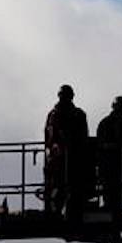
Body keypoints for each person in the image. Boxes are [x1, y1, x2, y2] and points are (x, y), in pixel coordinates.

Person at [44, 84, 90, 219]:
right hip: (57, 158)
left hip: (75, 157)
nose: (64, 98)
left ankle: (71, 210)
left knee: (74, 186)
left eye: (66, 96)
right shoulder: (53, 114)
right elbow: (48, 136)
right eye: (63, 96)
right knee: (56, 185)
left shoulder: (78, 114)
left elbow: (83, 135)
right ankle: (54, 210)